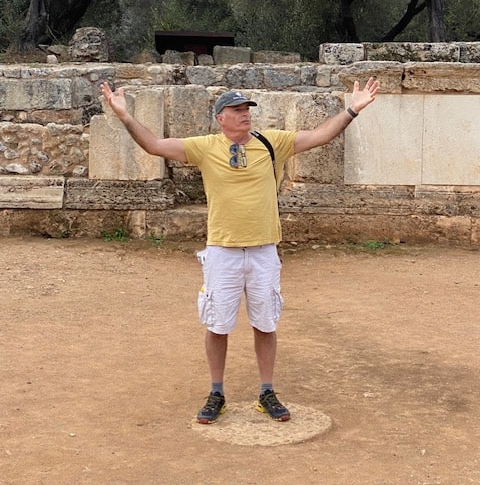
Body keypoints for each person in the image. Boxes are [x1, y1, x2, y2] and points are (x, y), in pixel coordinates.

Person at [100, 78, 379, 424]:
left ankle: (267, 392)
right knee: (218, 325)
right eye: (237, 110)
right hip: (223, 250)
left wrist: (352, 109)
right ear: (221, 117)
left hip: (263, 250)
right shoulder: (204, 147)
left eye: (247, 109)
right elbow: (155, 145)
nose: (245, 114)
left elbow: (319, 136)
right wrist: (125, 117)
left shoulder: (271, 142)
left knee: (265, 324)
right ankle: (216, 391)